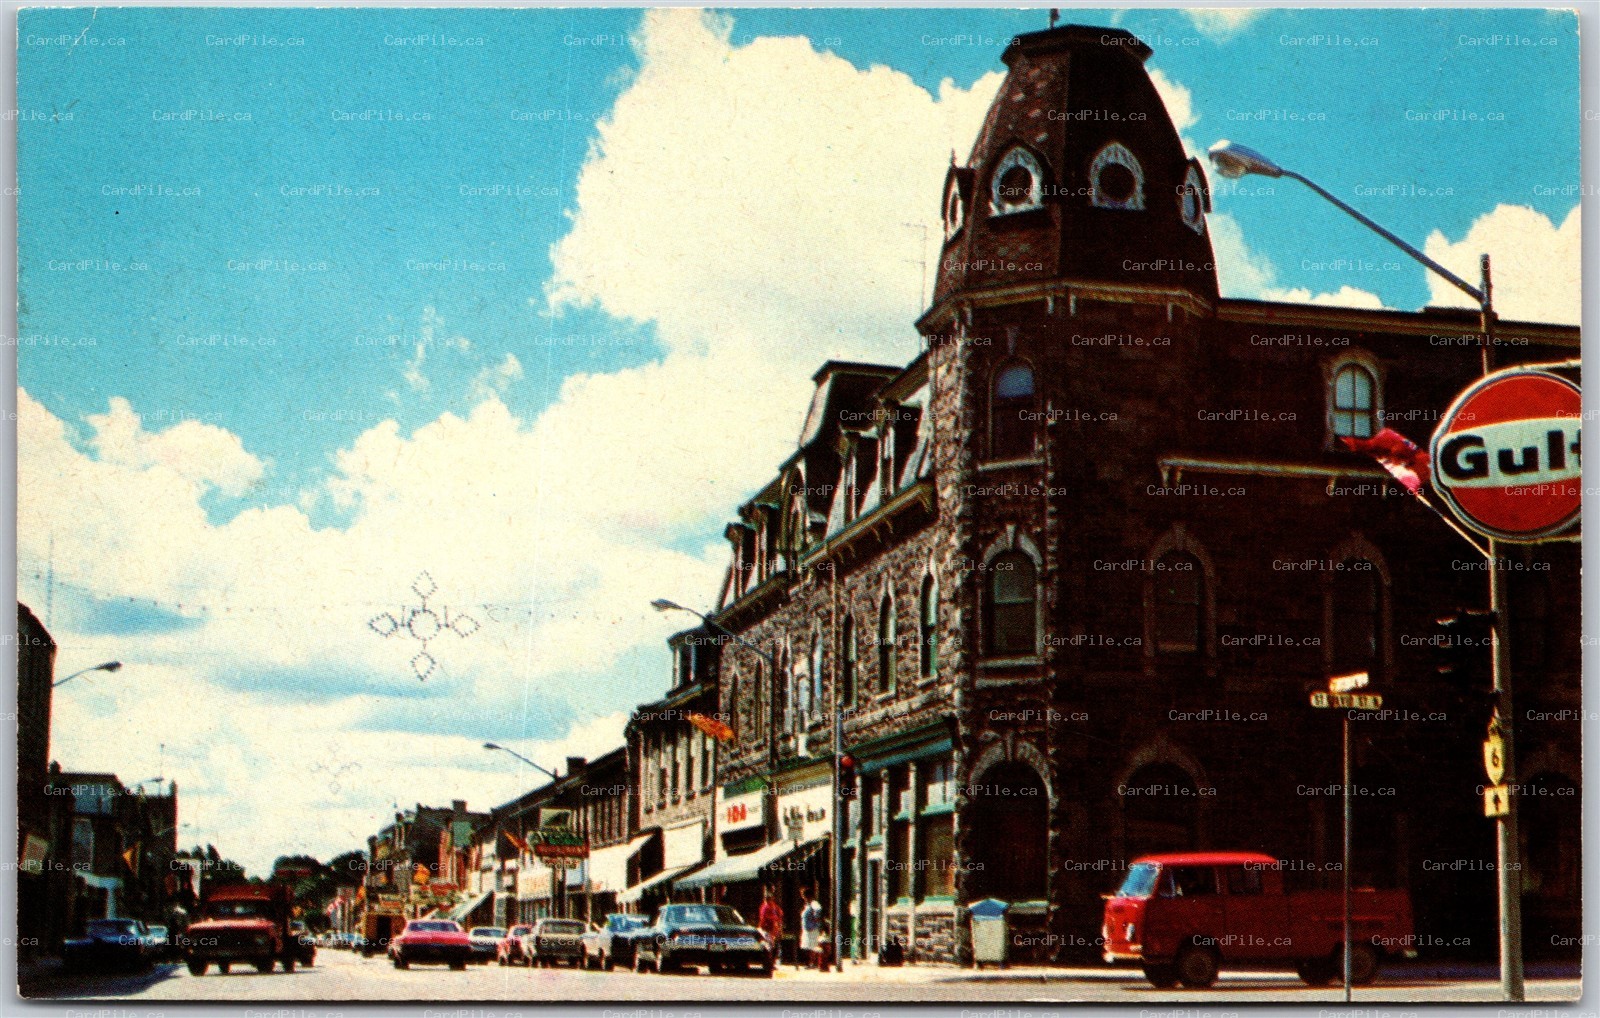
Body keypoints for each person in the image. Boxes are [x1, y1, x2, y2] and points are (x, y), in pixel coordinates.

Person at [756, 886, 785, 965]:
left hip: (771, 929)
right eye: (767, 898)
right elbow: (763, 919)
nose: (768, 899)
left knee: (771, 946)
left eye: (769, 898)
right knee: (769, 946)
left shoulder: (774, 907)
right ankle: (769, 962)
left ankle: (770, 962)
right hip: (767, 929)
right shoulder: (765, 907)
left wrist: (779, 928)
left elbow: (779, 918)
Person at [799, 888, 823, 969]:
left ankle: (813, 963)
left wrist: (815, 919)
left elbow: (818, 910)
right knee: (807, 946)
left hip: (812, 928)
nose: (803, 897)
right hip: (807, 928)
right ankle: (810, 963)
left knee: (812, 946)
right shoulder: (807, 905)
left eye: (803, 895)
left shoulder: (814, 903)